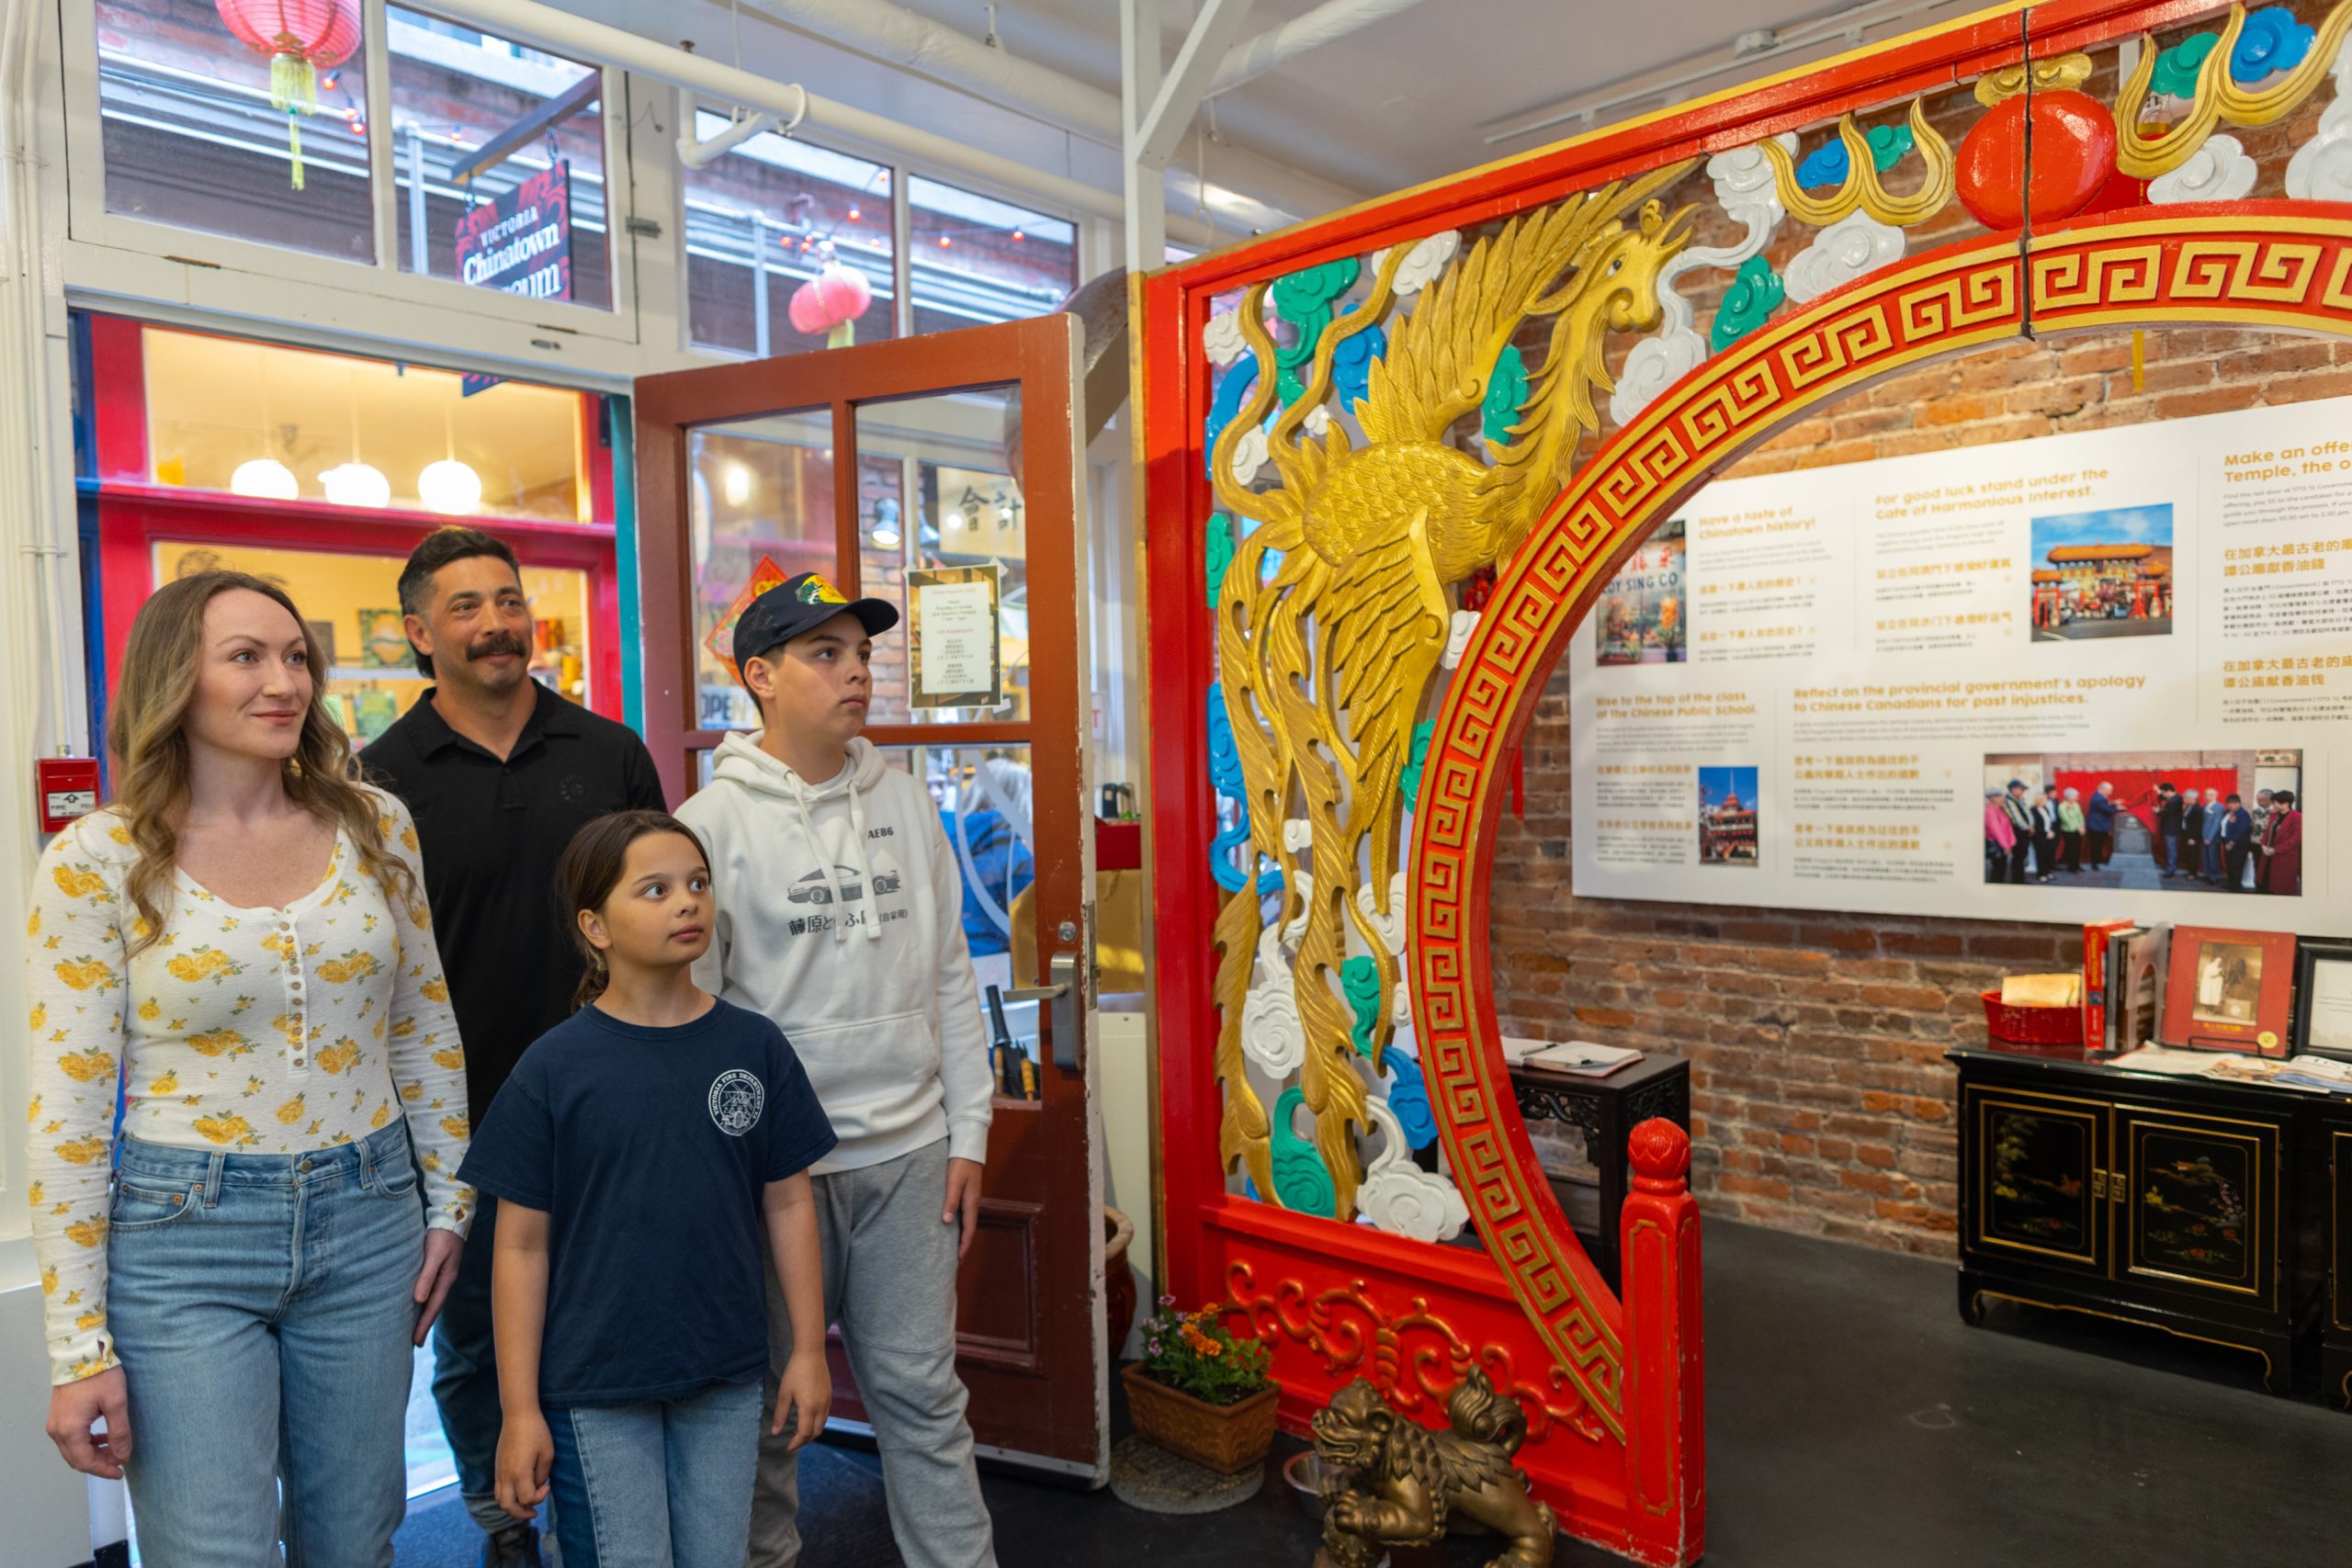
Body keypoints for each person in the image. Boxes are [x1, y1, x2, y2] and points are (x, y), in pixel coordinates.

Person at [28, 571, 473, 1563]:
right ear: (172, 681)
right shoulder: (97, 858)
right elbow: (66, 1112)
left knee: (354, 1542)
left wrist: (450, 1204)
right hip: (182, 1238)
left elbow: (422, 1029)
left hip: (369, 1220)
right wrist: (77, 1347)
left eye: (294, 657)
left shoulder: (373, 823)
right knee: (212, 1552)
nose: (284, 682)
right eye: (246, 657)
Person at [675, 572, 1001, 1568]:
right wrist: (729, 1169)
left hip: (911, 1154)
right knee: (771, 1403)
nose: (857, 671)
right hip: (778, 1176)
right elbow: (699, 1021)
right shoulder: (708, 825)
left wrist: (970, 1133)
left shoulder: (902, 798)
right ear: (761, 677)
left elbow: (950, 973)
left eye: (861, 654)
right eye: (827, 654)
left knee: (922, 1398)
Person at [362, 526, 668, 1567]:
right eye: (465, 606)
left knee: (612, 1311)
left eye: (507, 599)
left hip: (615, 1094)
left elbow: (660, 913)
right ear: (418, 632)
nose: (495, 622)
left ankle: (608, 1510)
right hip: (465, 1116)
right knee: (476, 1341)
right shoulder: (378, 783)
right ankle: (505, 1522)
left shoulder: (610, 752)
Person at [458, 811, 837, 1568]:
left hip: (725, 1371)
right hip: (593, 1389)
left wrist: (807, 1347)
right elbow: (519, 1247)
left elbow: (790, 1200)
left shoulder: (754, 1046)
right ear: (594, 925)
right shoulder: (552, 1070)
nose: (687, 902)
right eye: (656, 889)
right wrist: (519, 1407)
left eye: (697, 883)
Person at [2258, 790, 2302, 896]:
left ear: (2286, 804)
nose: (2273, 805)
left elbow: (2295, 840)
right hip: (2268, 855)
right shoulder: (2274, 815)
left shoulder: (2297, 817)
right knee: (2265, 883)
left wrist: (2276, 850)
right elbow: (2267, 832)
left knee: (2280, 887)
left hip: (2284, 857)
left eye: (2276, 802)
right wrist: (2263, 845)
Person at [2218, 793, 2255, 891]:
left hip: (2239, 845)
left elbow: (2242, 830)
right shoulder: (2228, 812)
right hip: (2227, 842)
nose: (2231, 806)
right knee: (2229, 865)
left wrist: (2232, 842)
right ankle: (2230, 883)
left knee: (2236, 866)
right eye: (2229, 803)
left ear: (2238, 803)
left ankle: (2236, 887)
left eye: (2233, 804)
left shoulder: (2243, 814)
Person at [1999, 781, 2033, 885]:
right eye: (2021, 789)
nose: (2023, 792)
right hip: (2017, 833)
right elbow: (2017, 819)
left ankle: (2020, 878)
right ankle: (2018, 881)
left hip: (2023, 832)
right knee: (2018, 857)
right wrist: (2028, 827)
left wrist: (2030, 825)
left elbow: (2027, 813)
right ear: (2014, 789)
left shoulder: (2018, 800)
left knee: (2021, 856)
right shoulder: (2009, 801)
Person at [1984, 789, 2015, 884]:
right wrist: (2006, 846)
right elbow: (1996, 831)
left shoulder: (1999, 809)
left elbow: (2006, 827)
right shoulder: (1990, 811)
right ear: (1993, 798)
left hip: (2002, 844)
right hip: (1998, 845)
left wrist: (2010, 842)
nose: (2004, 798)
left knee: (2001, 869)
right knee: (1998, 870)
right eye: (2001, 796)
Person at [2199, 789, 2231, 884]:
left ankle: (2213, 877)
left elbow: (2216, 824)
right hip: (2203, 836)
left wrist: (2210, 838)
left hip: (2212, 838)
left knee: (2213, 857)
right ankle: (2207, 874)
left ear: (2215, 796)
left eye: (2210, 795)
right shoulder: (2204, 806)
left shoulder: (2219, 807)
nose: (2207, 797)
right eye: (2206, 795)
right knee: (2205, 857)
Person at [2030, 784, 2060, 882]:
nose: (2046, 801)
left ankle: (2047, 872)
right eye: (2044, 799)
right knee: (2041, 856)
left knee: (2048, 855)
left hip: (2048, 835)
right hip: (2039, 837)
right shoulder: (2033, 810)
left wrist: (2051, 831)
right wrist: (2045, 833)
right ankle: (2041, 874)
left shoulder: (2045, 809)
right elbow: (2035, 825)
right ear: (2039, 800)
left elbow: (2049, 821)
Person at [2086, 782, 2118, 868]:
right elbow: (2108, 810)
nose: (2111, 791)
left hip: (2099, 824)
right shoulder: (2099, 798)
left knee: (2099, 845)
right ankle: (2094, 864)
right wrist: (2118, 807)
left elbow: (2104, 805)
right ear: (2104, 790)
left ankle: (2098, 860)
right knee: (2096, 845)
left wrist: (2113, 803)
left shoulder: (2099, 796)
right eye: (2110, 790)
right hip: (2097, 825)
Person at [2174, 788, 2203, 879]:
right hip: (2186, 834)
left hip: (2192, 837)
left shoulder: (2198, 809)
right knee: (2188, 854)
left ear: (2192, 798)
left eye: (2186, 798)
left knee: (2193, 855)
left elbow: (2198, 825)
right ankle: (2190, 871)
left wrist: (2193, 838)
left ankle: (2193, 874)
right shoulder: (2188, 807)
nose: (2185, 800)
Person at [2154, 782, 2181, 876]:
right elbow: (2164, 798)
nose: (2163, 795)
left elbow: (2165, 814)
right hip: (2171, 828)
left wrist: (2157, 811)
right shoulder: (2177, 798)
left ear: (2169, 791)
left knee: (2171, 849)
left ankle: (2171, 870)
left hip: (2171, 829)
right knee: (2171, 849)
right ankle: (2170, 867)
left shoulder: (2173, 801)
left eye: (2164, 792)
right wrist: (2158, 791)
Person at [2057, 786, 2086, 874]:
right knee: (2071, 849)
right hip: (2068, 831)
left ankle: (2077, 865)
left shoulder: (2076, 804)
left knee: (2077, 848)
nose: (2077, 797)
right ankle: (2071, 867)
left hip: (2078, 830)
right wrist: (2077, 827)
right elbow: (2066, 819)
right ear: (2069, 797)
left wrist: (2082, 826)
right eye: (2076, 796)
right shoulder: (2062, 806)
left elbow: (2080, 816)